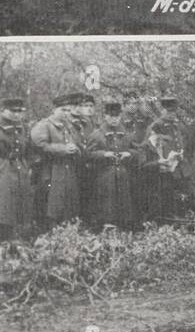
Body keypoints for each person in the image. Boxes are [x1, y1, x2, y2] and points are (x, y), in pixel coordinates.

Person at [30, 93, 85, 227]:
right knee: (50, 203)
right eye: (63, 110)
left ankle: (65, 231)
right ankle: (47, 231)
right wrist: (62, 149)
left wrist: (75, 149)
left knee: (68, 202)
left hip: (67, 170)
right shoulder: (44, 125)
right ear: (54, 110)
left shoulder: (70, 127)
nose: (66, 113)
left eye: (68, 110)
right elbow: (39, 145)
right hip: (50, 170)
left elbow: (78, 143)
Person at [85, 98, 135, 229]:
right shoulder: (97, 135)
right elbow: (87, 154)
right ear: (105, 116)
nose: (114, 119)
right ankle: (106, 227)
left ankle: (123, 228)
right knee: (107, 204)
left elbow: (137, 150)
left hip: (123, 175)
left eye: (117, 116)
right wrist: (103, 154)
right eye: (111, 116)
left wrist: (129, 154)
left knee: (123, 203)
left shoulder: (126, 134)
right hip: (104, 176)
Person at [141, 95, 187, 221]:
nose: (171, 114)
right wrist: (158, 161)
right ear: (162, 110)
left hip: (176, 167)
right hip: (160, 169)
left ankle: (173, 218)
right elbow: (149, 146)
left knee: (174, 196)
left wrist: (181, 152)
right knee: (162, 197)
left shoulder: (176, 125)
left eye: (173, 111)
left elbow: (179, 141)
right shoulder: (156, 126)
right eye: (168, 111)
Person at [0, 94, 33, 242]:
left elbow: (29, 150)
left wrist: (27, 165)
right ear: (3, 110)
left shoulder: (22, 128)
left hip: (20, 170)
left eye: (20, 111)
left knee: (18, 207)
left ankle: (14, 244)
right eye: (13, 111)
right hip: (4, 169)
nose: (17, 114)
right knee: (4, 207)